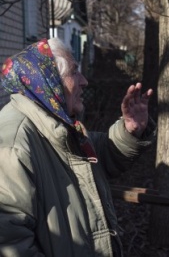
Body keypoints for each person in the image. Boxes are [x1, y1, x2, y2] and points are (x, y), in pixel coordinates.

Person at [0, 38, 156, 256]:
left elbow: (98, 154)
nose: (84, 81)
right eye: (74, 72)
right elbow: (10, 242)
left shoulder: (53, 124)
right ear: (49, 79)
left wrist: (129, 131)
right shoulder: (12, 144)